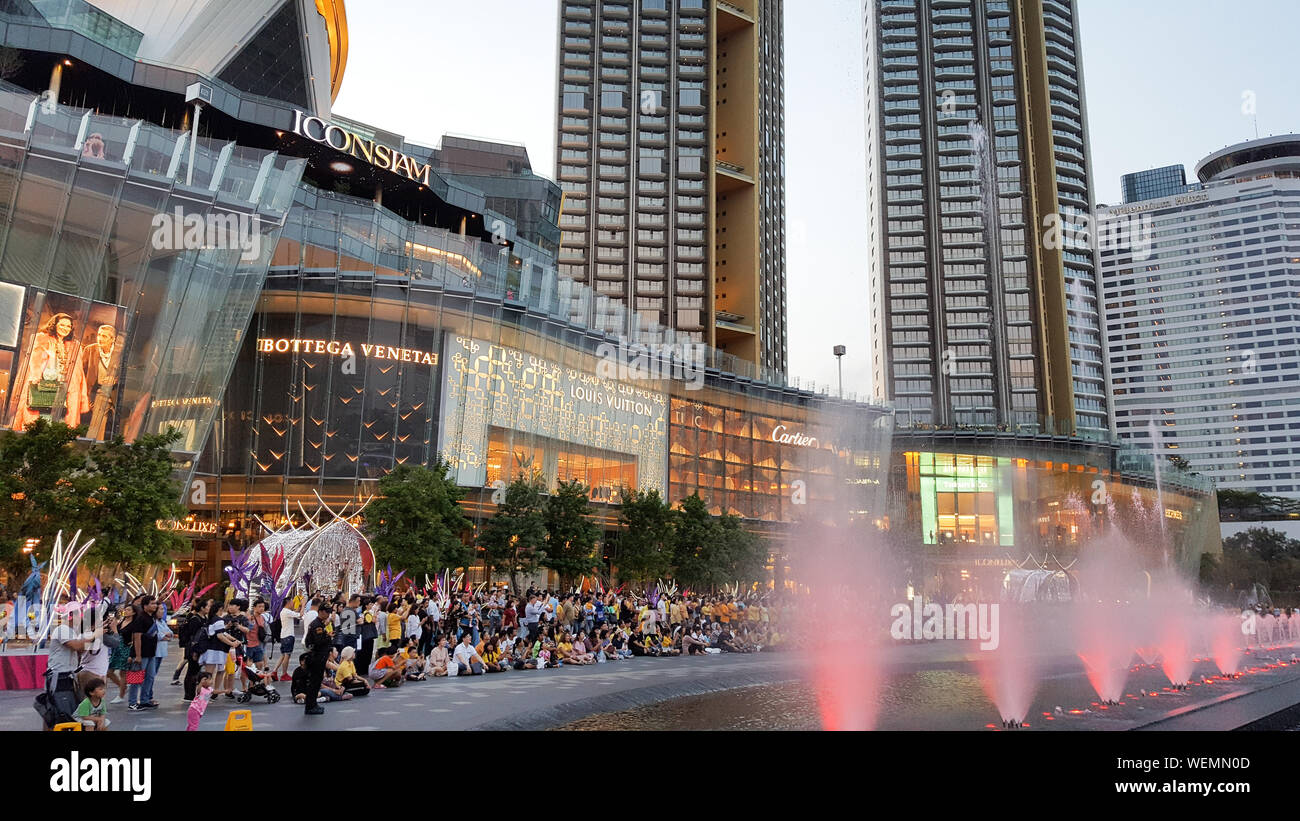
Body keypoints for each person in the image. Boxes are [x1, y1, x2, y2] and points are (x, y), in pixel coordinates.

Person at [15, 312, 84, 429]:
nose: (65, 329)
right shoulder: (42, 340)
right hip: (44, 390)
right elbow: (38, 369)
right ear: (54, 325)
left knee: (61, 425)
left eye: (68, 326)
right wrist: (52, 358)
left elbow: (77, 375)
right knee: (41, 425)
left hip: (64, 393)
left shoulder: (74, 345)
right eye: (62, 325)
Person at [74, 323, 120, 440]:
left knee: (116, 421)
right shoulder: (90, 350)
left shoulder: (120, 353)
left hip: (115, 392)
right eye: (99, 335)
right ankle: (93, 443)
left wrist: (115, 380)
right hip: (96, 391)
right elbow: (80, 373)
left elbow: (128, 372)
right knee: (98, 418)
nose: (100, 338)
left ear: (112, 339)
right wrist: (85, 395)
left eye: (104, 336)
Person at [302, 603, 332, 714]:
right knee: (314, 682)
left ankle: (313, 704)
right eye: (327, 612)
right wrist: (328, 636)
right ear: (321, 612)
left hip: (318, 656)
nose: (328, 614)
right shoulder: (317, 625)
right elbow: (318, 641)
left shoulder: (320, 624)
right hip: (317, 657)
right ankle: (310, 706)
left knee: (316, 682)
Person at [275, 598, 299, 681]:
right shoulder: (287, 611)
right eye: (292, 602)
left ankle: (274, 671)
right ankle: (284, 674)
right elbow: (300, 615)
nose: (293, 604)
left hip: (283, 635)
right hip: (288, 635)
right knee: (287, 656)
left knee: (283, 655)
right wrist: (303, 605)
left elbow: (295, 613)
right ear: (288, 603)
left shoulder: (284, 611)